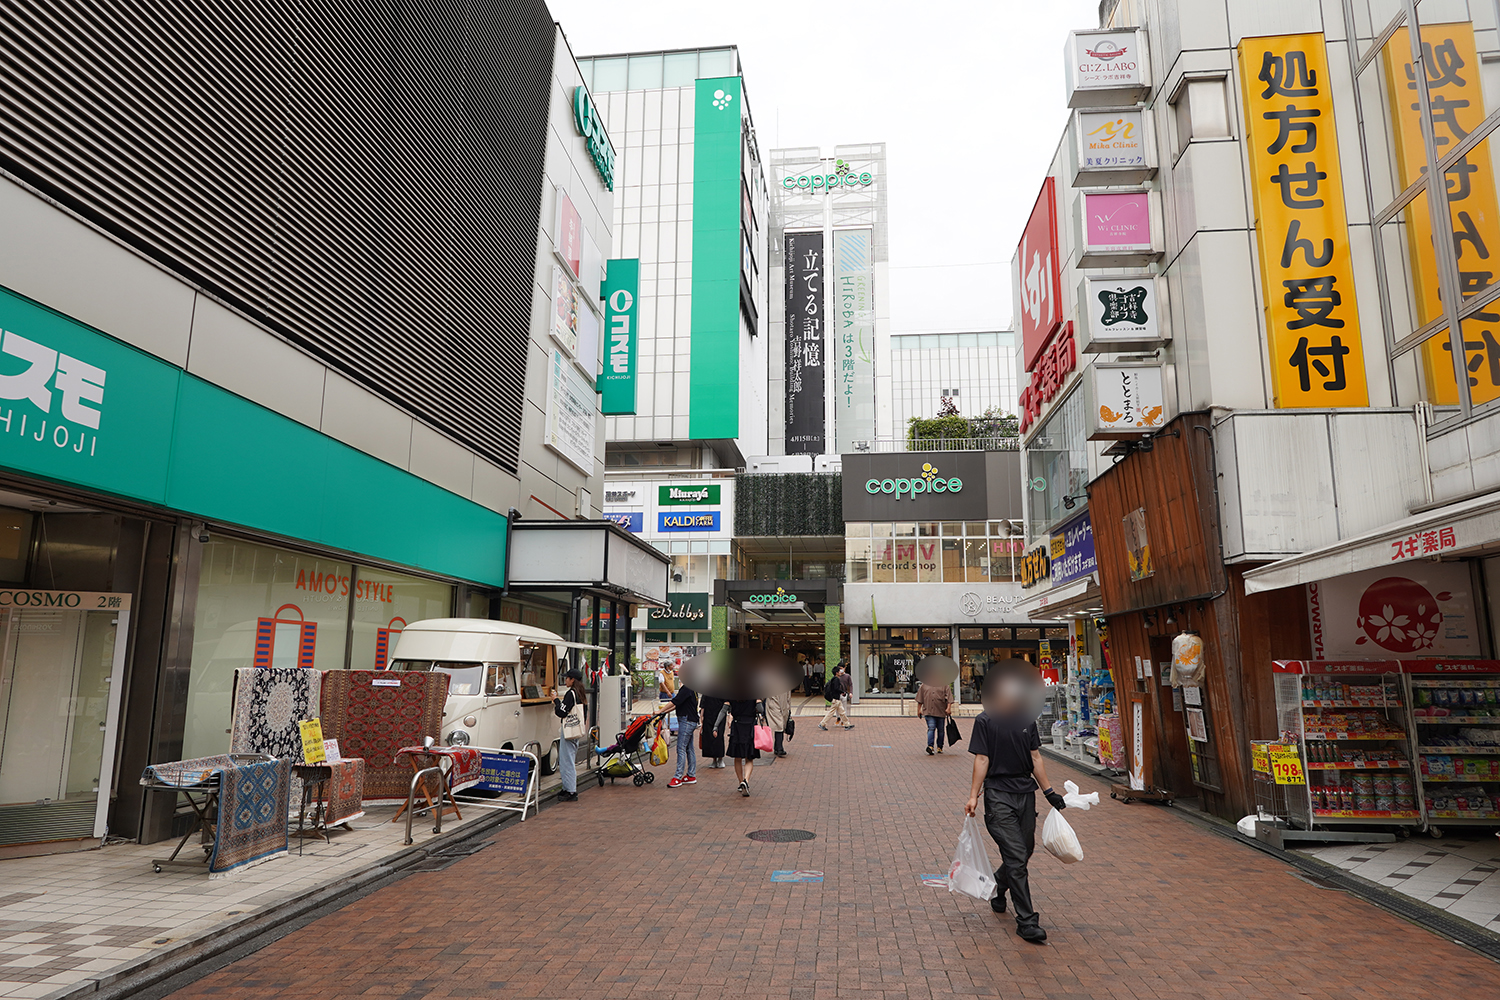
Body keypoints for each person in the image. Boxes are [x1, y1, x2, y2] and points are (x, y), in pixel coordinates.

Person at [964, 662, 1068, 944]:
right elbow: (982, 759)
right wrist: (974, 795)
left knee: (1025, 852)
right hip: (998, 795)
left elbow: (1035, 758)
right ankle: (1027, 921)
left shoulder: (1026, 721)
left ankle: (998, 888)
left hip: (1025, 793)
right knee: (1017, 858)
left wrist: (1050, 793)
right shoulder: (985, 721)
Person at [552, 668, 587, 802]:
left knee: (567, 761)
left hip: (569, 732)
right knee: (568, 759)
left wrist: (555, 700)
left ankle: (571, 791)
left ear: (572, 680)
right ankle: (568, 787)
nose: (565, 680)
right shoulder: (581, 693)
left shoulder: (570, 693)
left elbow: (561, 712)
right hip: (576, 731)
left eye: (567, 678)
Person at [725, 697, 760, 795]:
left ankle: (741, 782)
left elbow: (724, 709)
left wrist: (715, 726)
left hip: (737, 726)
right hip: (750, 727)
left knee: (737, 757)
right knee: (749, 757)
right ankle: (746, 780)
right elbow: (761, 710)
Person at [667, 682, 699, 788]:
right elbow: (677, 704)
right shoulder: (692, 688)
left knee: (681, 748)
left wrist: (660, 711)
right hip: (690, 720)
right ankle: (691, 775)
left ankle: (678, 776)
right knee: (689, 748)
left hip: (687, 720)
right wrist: (663, 711)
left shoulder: (687, 688)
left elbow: (674, 702)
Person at [917, 678, 952, 755]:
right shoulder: (924, 685)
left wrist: (948, 708)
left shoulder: (945, 685)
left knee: (941, 730)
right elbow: (920, 699)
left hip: (941, 711)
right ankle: (930, 746)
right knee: (931, 727)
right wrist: (919, 710)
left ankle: (940, 746)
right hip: (928, 711)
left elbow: (949, 698)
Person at [699, 693, 728, 768]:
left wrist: (729, 713)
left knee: (719, 736)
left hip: (720, 714)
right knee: (709, 736)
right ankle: (714, 759)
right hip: (708, 714)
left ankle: (720, 758)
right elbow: (703, 701)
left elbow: (726, 701)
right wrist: (702, 715)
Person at [765, 685, 791, 757]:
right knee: (780, 725)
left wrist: (789, 708)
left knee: (780, 726)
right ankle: (779, 748)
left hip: (783, 706)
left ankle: (777, 747)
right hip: (773, 705)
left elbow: (788, 696)